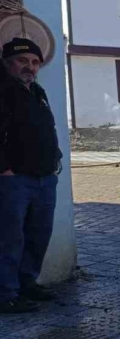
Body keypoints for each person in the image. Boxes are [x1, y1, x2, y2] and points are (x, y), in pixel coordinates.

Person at [0, 38, 62, 314]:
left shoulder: (37, 92)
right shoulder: (3, 90)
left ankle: (27, 283)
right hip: (15, 180)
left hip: (45, 178)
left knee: (39, 235)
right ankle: (5, 295)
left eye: (35, 62)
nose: (30, 67)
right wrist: (5, 169)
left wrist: (56, 158)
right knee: (10, 239)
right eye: (23, 60)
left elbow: (46, 128)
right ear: (7, 62)